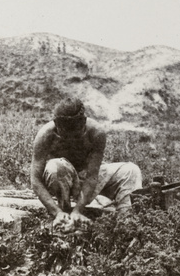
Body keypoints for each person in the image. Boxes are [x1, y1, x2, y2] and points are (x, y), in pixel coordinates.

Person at [31, 98, 142, 232]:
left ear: (83, 122)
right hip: (58, 182)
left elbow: (92, 176)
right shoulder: (45, 135)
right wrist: (56, 212)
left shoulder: (96, 133)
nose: (71, 139)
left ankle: (126, 222)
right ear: (56, 125)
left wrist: (78, 210)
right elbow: (35, 180)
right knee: (56, 166)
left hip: (85, 181)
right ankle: (65, 214)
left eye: (76, 135)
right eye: (66, 136)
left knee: (131, 170)